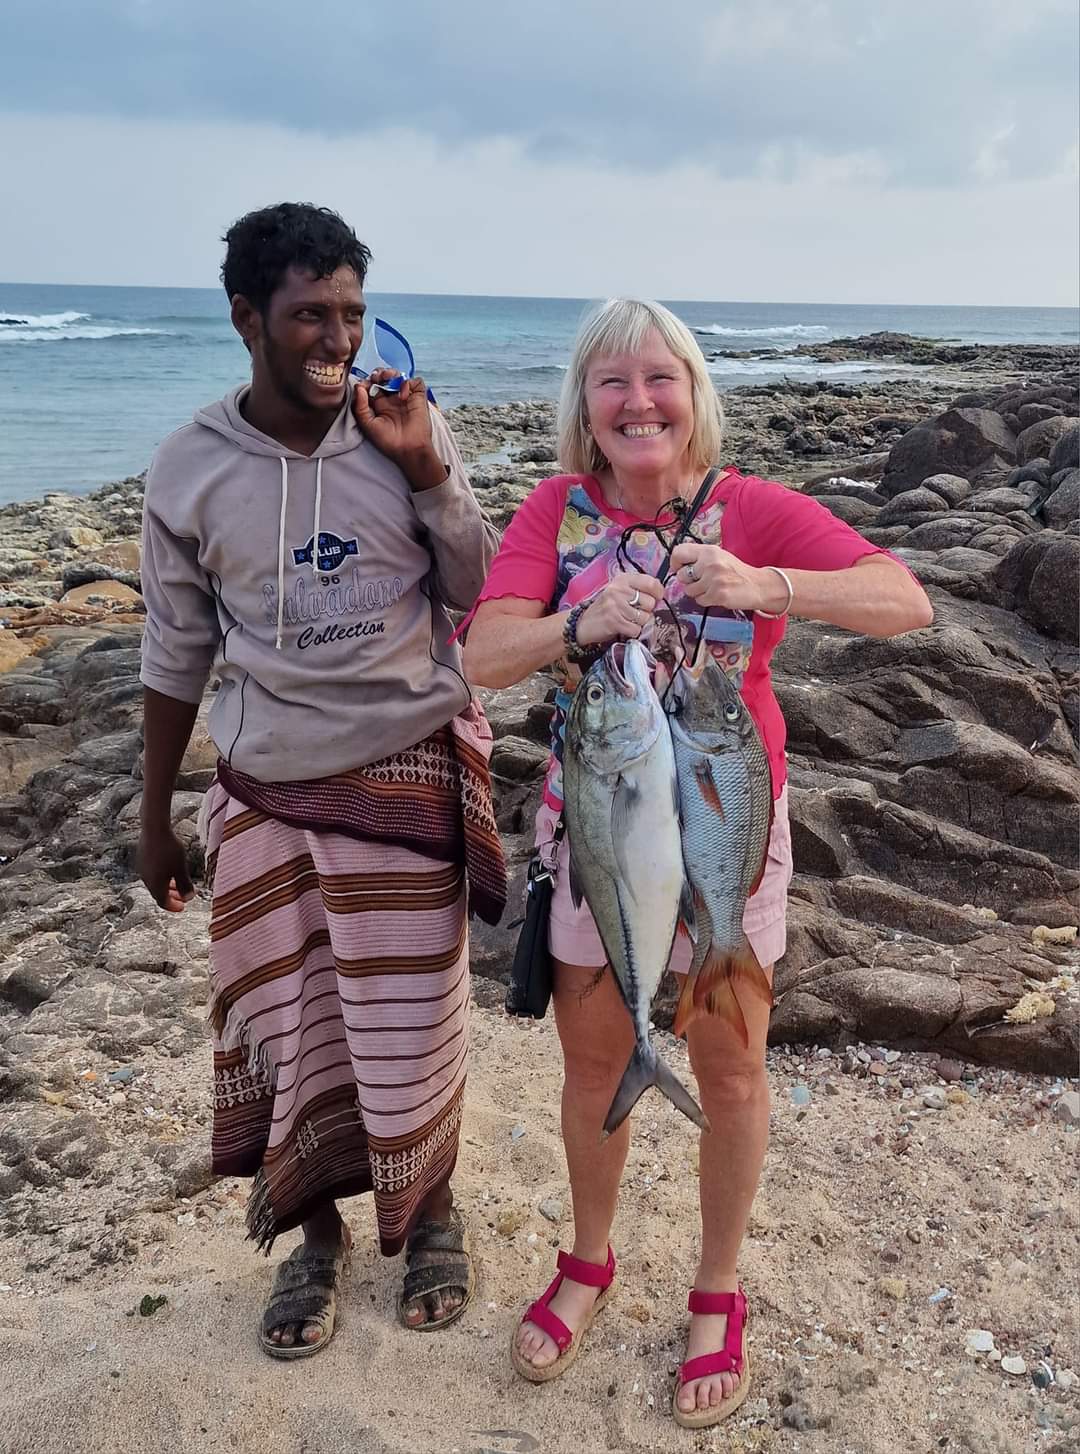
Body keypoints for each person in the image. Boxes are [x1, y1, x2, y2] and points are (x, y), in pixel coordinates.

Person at [461, 298, 932, 1428]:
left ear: (694, 394)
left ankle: (717, 1287)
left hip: (726, 829)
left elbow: (903, 600)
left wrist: (767, 585)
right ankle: (588, 1257)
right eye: (611, 381)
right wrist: (577, 627)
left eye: (659, 377)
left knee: (730, 1068)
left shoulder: (750, 509)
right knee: (593, 1064)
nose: (637, 401)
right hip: (603, 837)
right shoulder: (554, 511)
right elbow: (480, 653)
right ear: (584, 404)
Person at [137, 202, 504, 1359]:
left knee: (410, 1021)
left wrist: (429, 466)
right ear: (247, 317)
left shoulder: (401, 430)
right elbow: (173, 648)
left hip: (404, 770)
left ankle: (432, 1212)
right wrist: (152, 813)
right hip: (265, 786)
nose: (336, 336)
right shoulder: (190, 467)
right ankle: (316, 1233)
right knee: (286, 1023)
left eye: (350, 309)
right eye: (309, 313)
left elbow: (485, 589)